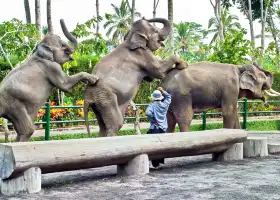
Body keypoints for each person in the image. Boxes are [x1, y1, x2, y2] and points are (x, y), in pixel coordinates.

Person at [145, 87, 172, 168]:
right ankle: (158, 164)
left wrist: (153, 120)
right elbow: (168, 97)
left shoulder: (152, 105)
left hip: (155, 128)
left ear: (153, 98)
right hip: (163, 128)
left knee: (153, 146)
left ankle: (154, 164)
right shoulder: (164, 105)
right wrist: (163, 91)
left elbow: (148, 113)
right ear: (160, 97)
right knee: (161, 146)